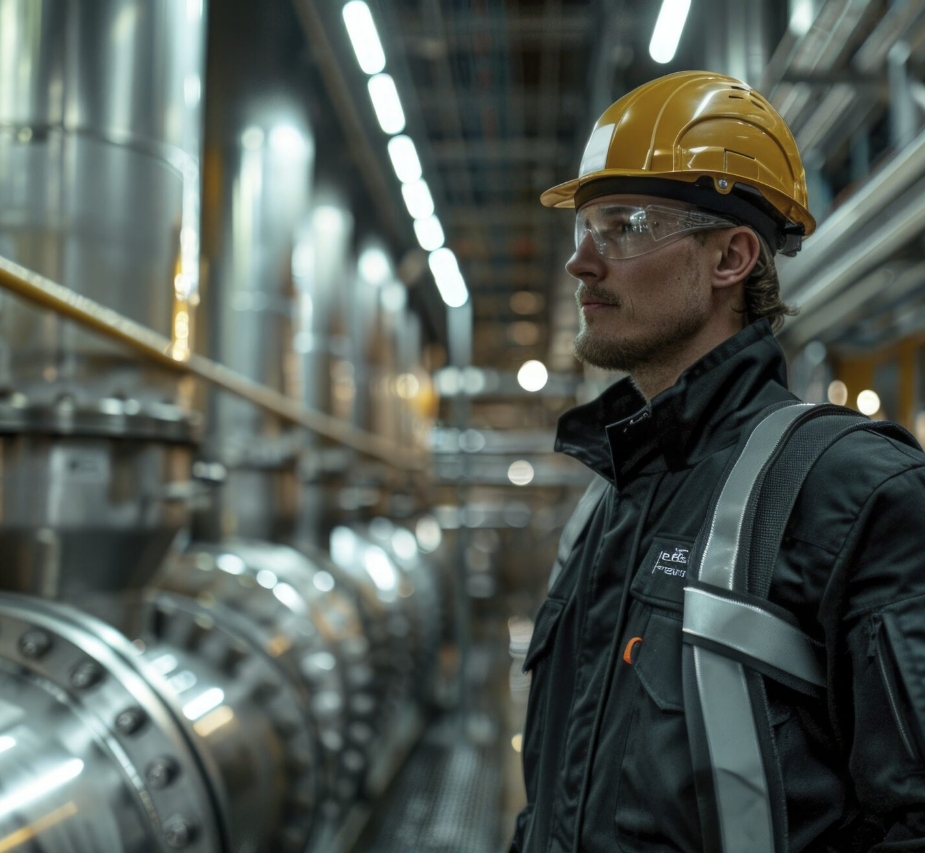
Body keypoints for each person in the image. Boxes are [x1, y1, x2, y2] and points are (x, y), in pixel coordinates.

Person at [510, 70, 925, 853]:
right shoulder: (610, 503)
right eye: (584, 228)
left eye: (624, 224)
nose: (581, 263)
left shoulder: (853, 492)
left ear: (731, 256)